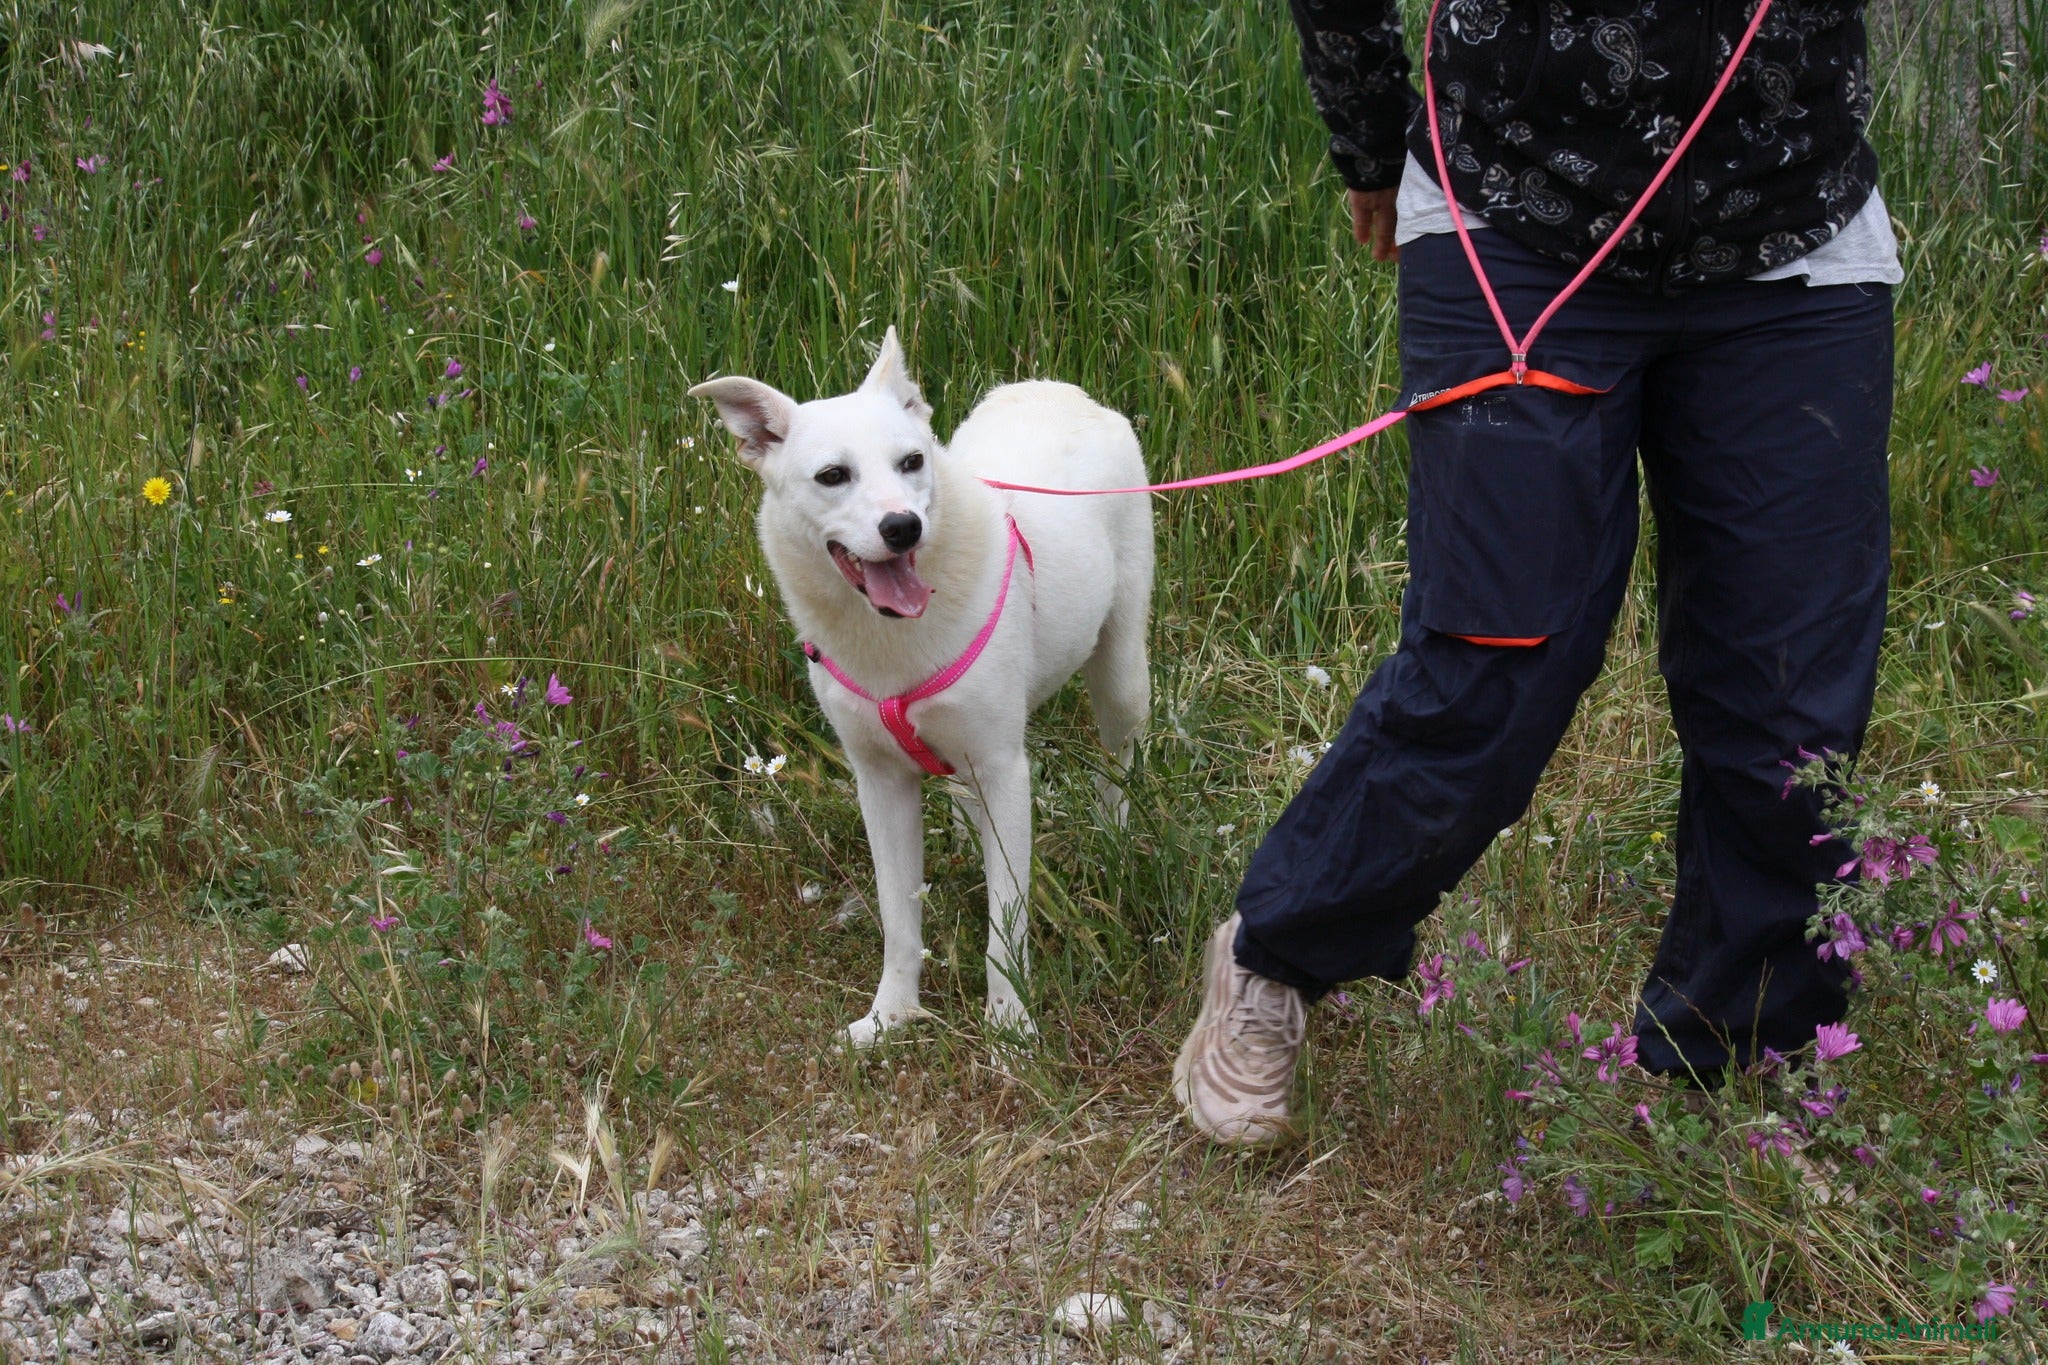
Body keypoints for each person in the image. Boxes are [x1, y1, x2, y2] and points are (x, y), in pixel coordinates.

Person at [1173, 0, 1902, 1146]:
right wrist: (1367, 133)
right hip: (1511, 215)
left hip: (1789, 232)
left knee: (1789, 695)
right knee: (1498, 656)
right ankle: (1277, 950)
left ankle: (1735, 1070)